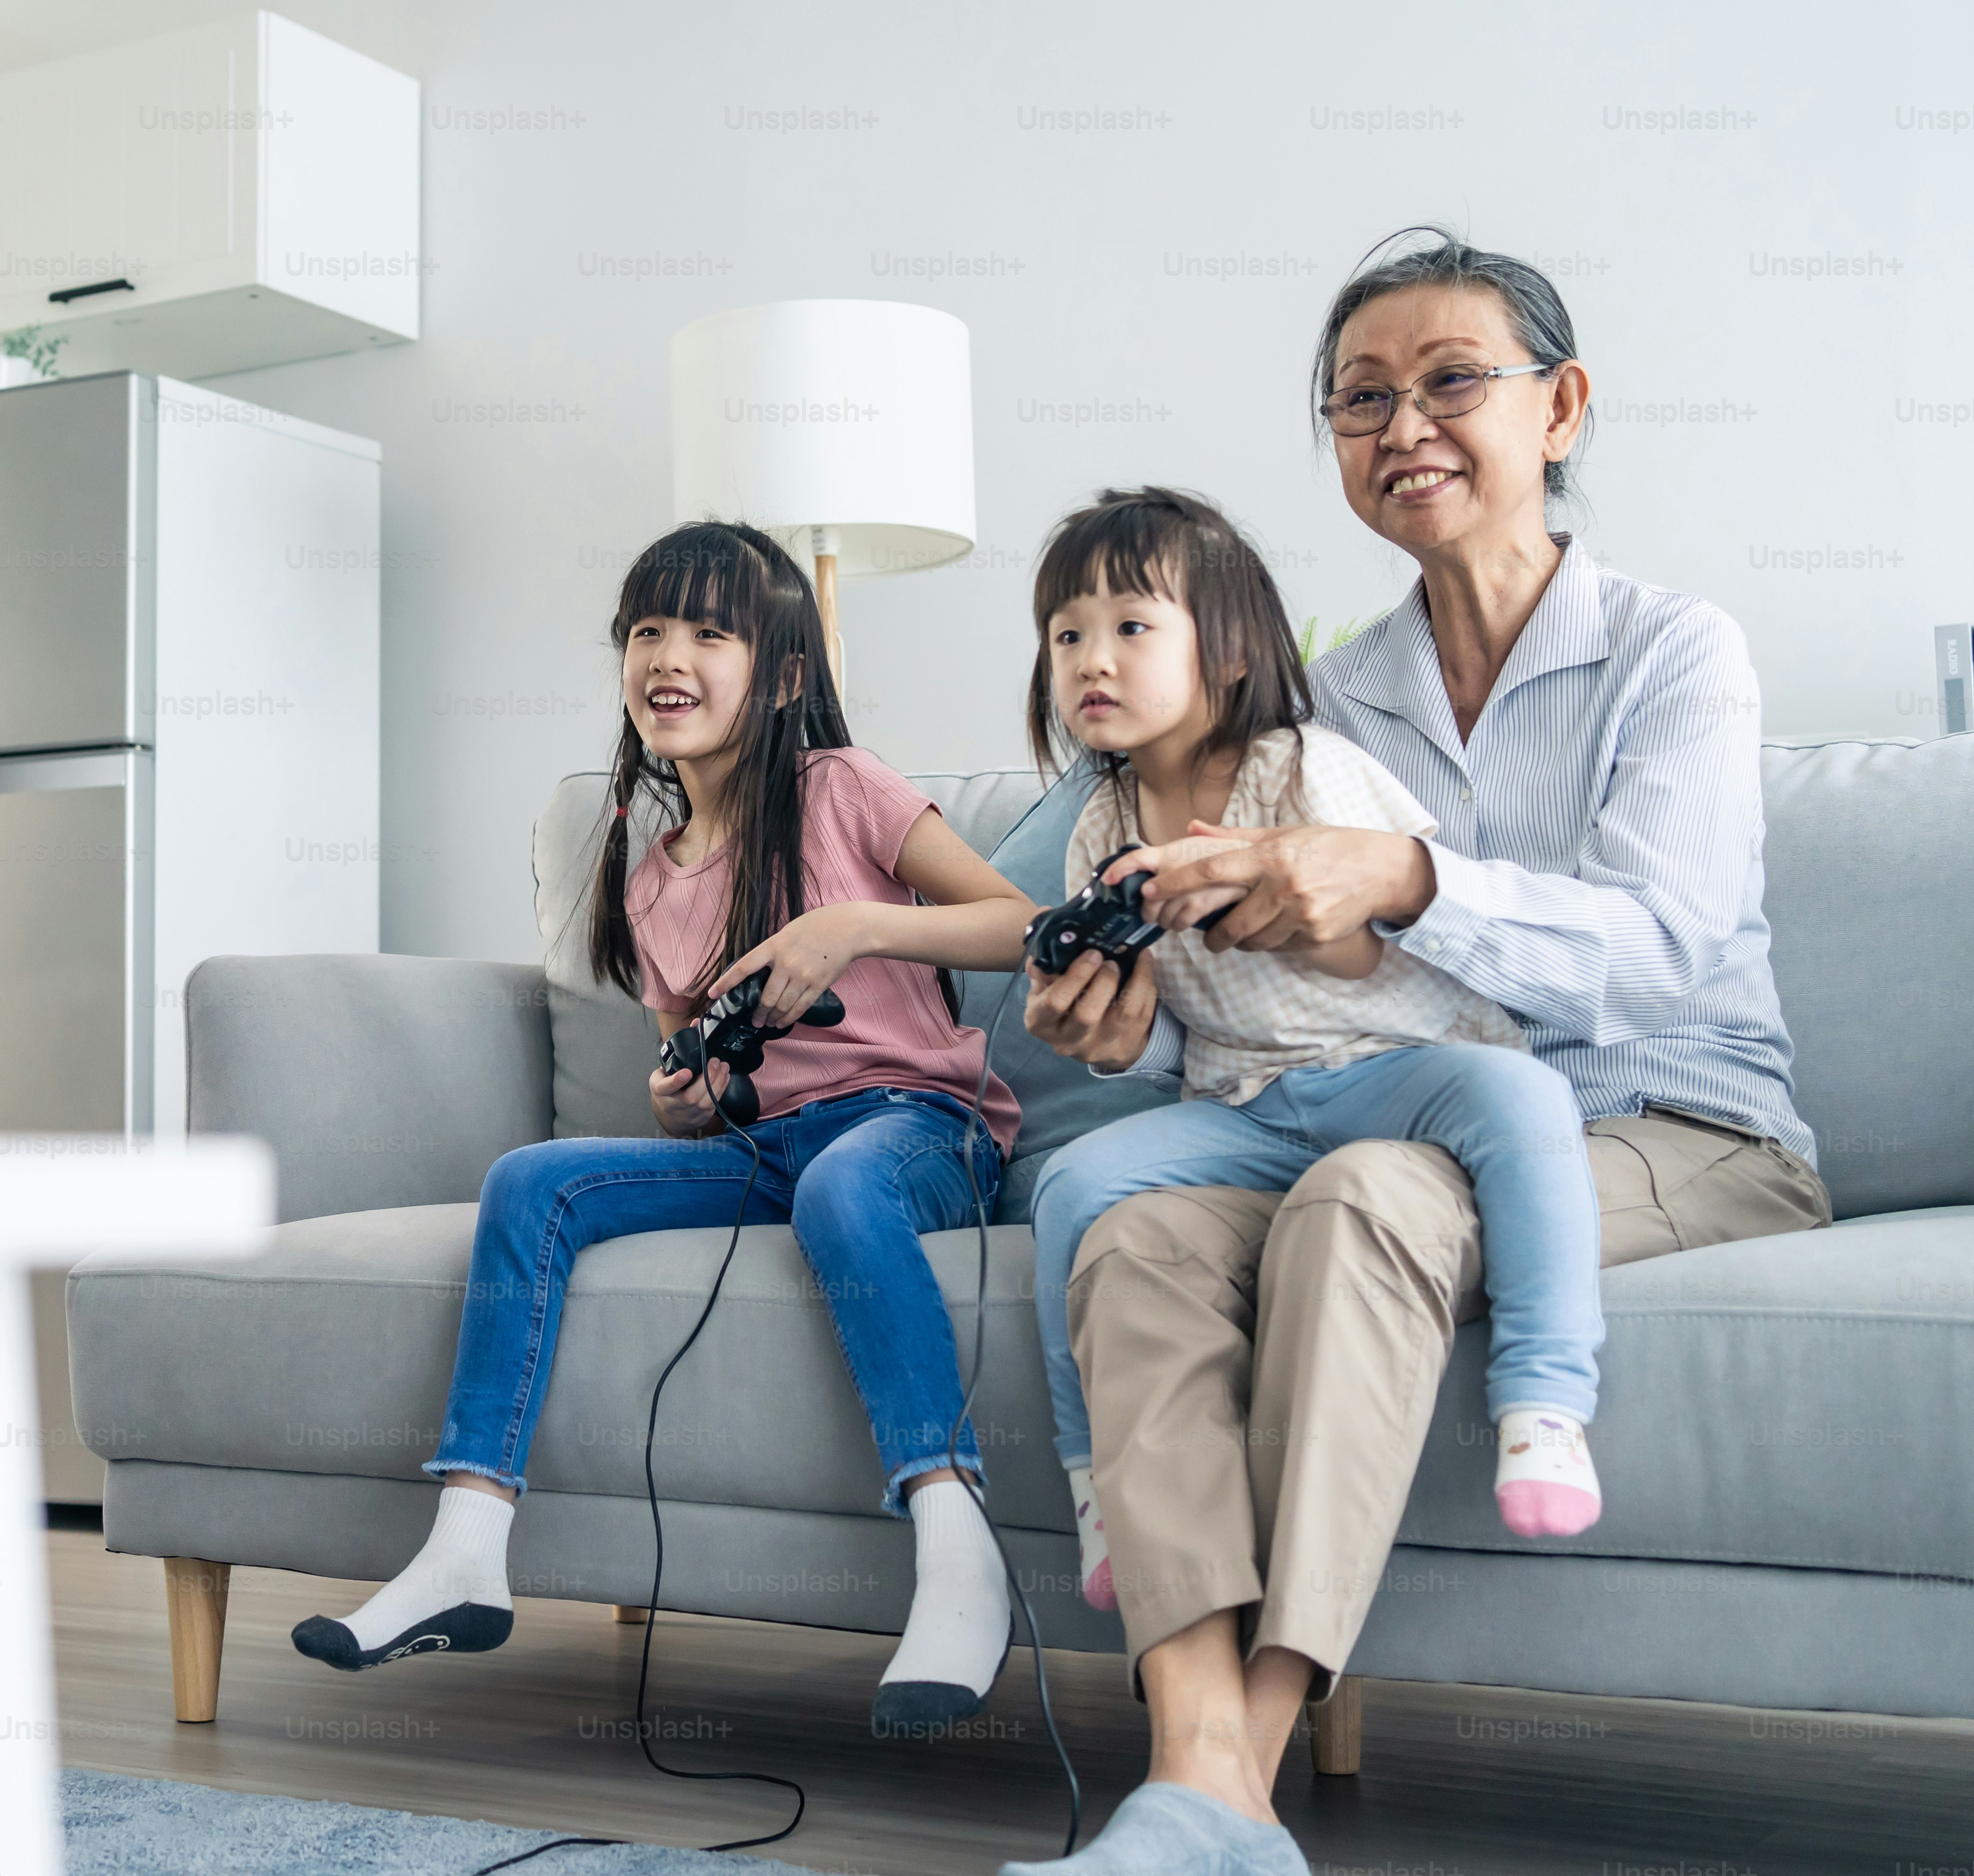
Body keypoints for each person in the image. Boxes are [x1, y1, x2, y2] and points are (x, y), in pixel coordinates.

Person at [999, 233, 1828, 1876]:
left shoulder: (1674, 651)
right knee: (1132, 1228)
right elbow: (1252, 998)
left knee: (1368, 1195)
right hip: (1364, 1113)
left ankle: (1236, 1776)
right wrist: (1121, 1014)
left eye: (1450, 381)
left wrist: (1410, 878)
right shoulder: (1315, 703)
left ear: (1560, 407)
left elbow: (1660, 946)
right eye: (1360, 399)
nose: (1402, 427)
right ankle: (1195, 1775)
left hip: (1672, 1119)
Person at [291, 519, 1045, 1737]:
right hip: (764, 1150)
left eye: (706, 631)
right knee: (532, 1181)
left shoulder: (842, 788)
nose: (666, 655)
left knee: (842, 1188)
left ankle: (957, 1547)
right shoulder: (648, 877)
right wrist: (676, 1098)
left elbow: (1022, 923)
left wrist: (854, 927)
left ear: (782, 675)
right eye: (645, 630)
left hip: (915, 1124)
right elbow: (686, 1055)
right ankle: (466, 1548)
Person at [1019, 486, 1609, 1630]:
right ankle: (1094, 1485)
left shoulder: (1302, 768)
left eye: (1132, 626)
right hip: (1243, 1100)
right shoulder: (1099, 827)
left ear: (1231, 653)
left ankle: (1544, 1399)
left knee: (1524, 1098)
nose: (1093, 658)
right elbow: (1154, 1021)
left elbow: (1369, 952)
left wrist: (1262, 898)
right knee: (1070, 1187)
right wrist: (1101, 1011)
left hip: (1393, 1061)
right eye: (1066, 634)